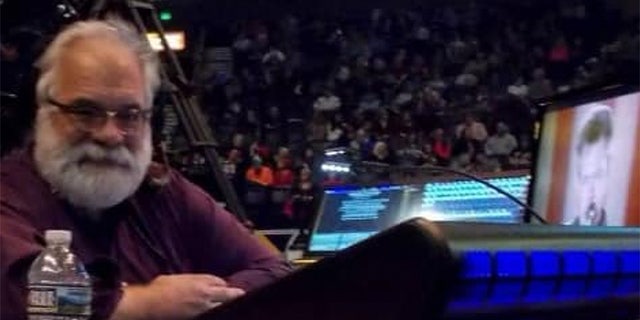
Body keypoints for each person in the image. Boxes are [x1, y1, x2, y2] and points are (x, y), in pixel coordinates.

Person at [0, 19, 291, 319]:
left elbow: (275, 271)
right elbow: (26, 300)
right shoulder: (8, 195)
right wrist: (147, 304)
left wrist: (204, 299)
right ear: (41, 112)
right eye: (85, 112)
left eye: (130, 115)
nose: (110, 134)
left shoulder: (164, 191)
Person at [566, 105, 613, 226]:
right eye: (585, 179)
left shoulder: (625, 242)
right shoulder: (553, 239)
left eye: (598, 176)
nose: (591, 192)